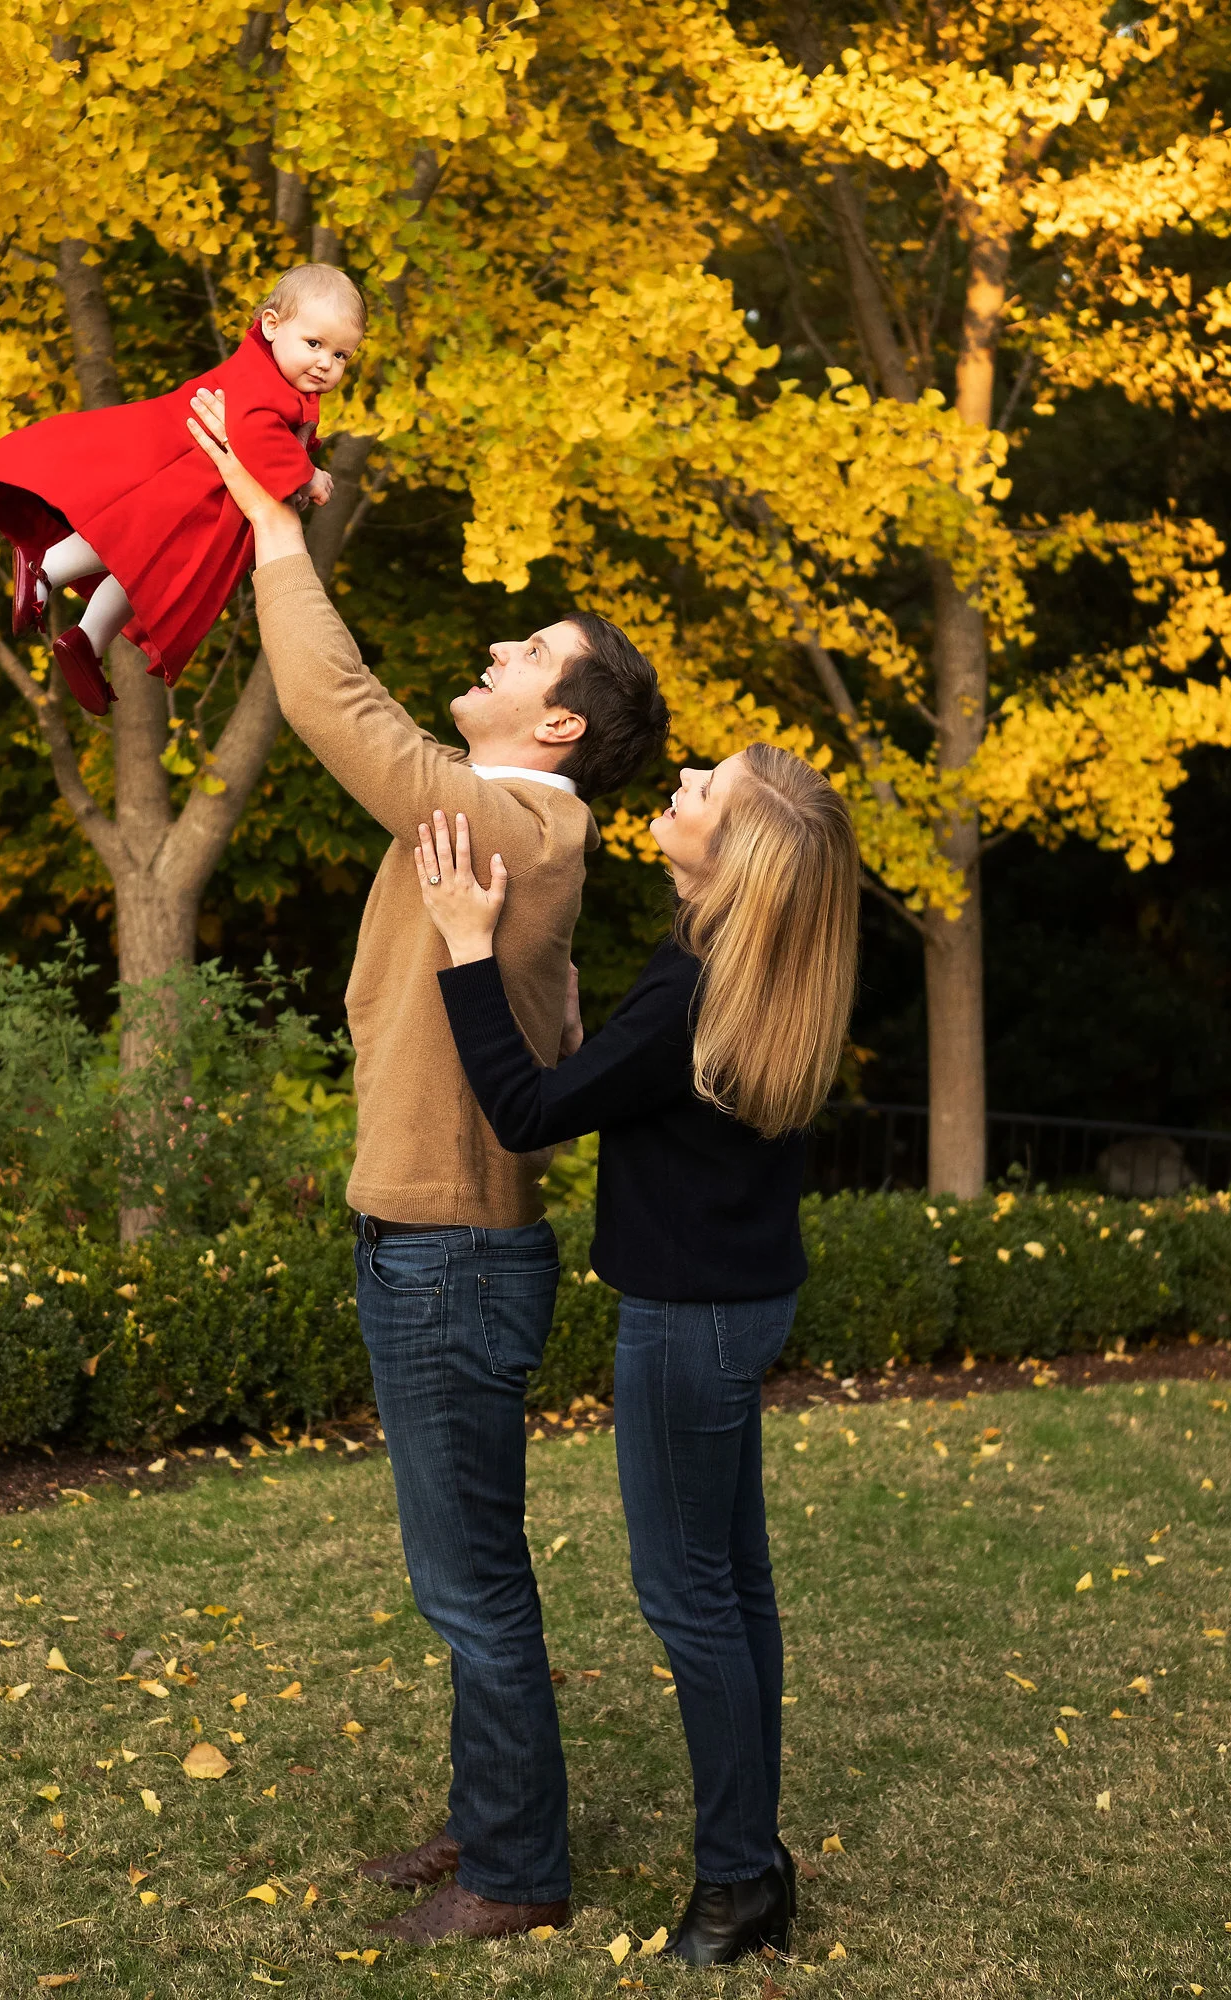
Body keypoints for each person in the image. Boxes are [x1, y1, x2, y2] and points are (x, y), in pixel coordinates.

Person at [184, 391, 670, 1943]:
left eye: (528, 651)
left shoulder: (521, 829)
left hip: (453, 1256)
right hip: (421, 1241)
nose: (499, 649)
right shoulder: (497, 821)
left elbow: (346, 714)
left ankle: (517, 1875)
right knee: (457, 1570)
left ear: (562, 724)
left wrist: (276, 527)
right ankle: (489, 1823)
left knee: (471, 1582)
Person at [411, 743, 860, 1967]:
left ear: (737, 855)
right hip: (740, 1300)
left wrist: (463, 945)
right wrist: (572, 1040)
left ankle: (735, 1885)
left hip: (687, 1317)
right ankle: (753, 1863)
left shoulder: (691, 986)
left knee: (690, 1598)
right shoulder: (738, 963)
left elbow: (526, 1117)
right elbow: (627, 1090)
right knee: (734, 1588)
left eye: (702, 790)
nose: (679, 784)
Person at [0, 263, 364, 715]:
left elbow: (274, 445)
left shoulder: (285, 386)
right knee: (136, 537)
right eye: (315, 344)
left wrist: (295, 474)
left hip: (205, 494)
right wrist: (306, 474)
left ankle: (87, 640)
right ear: (271, 325)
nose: (326, 363)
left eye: (341, 355)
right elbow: (254, 434)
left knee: (149, 567)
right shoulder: (261, 380)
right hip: (181, 474)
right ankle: (47, 565)